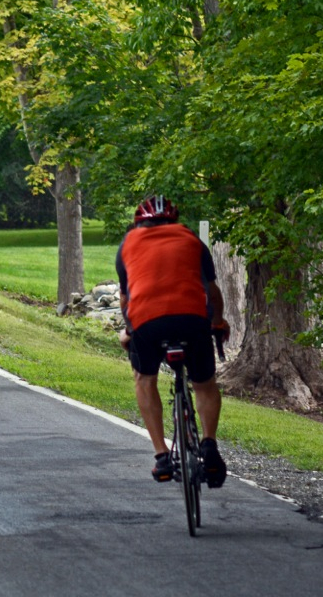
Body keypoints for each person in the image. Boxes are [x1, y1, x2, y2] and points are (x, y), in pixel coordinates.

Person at [116, 195, 231, 488]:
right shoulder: (191, 239)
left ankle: (162, 456)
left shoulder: (128, 244)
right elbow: (213, 292)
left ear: (138, 223)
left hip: (148, 322)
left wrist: (129, 330)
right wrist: (217, 321)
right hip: (192, 320)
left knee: (144, 378)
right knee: (204, 384)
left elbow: (126, 299)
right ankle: (209, 444)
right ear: (174, 220)